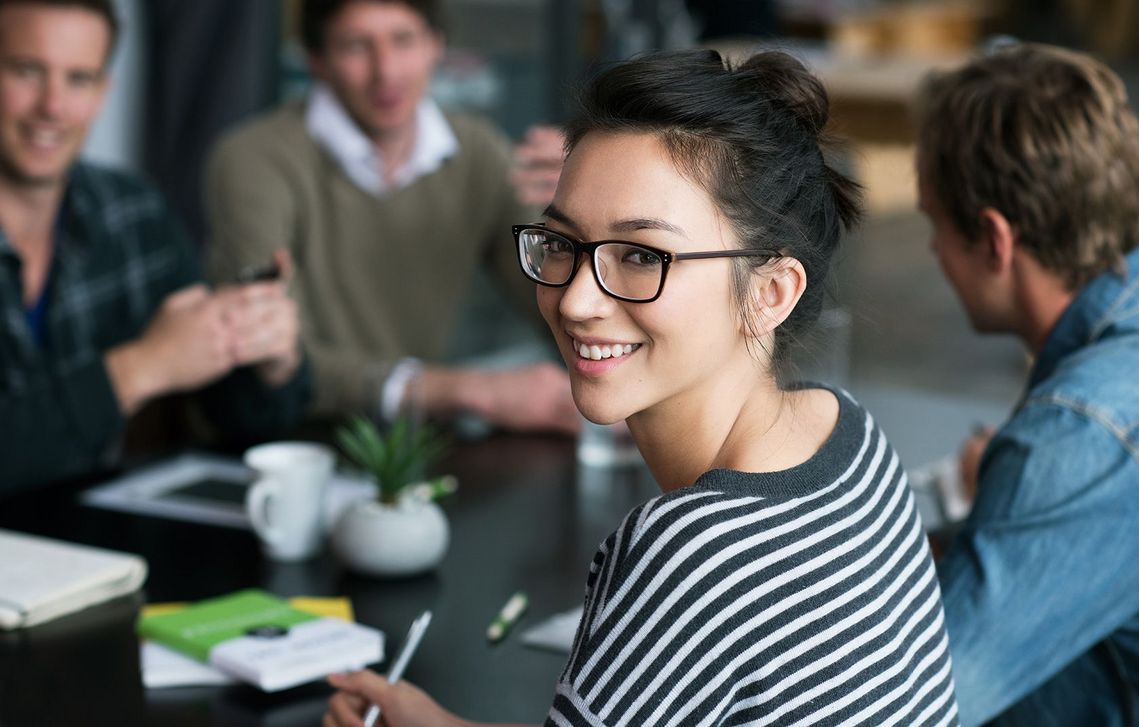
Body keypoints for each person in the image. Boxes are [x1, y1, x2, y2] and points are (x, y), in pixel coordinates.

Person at [323, 49, 960, 726]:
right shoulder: (846, 434)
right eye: (562, 243)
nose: (574, 301)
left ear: (771, 292)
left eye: (640, 256)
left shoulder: (692, 551)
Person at [205, 0, 577, 434]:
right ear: (317, 61)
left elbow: (556, 306)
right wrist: (471, 390)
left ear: (435, 45)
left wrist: (579, 216)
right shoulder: (255, 159)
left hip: (411, 446)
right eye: (356, 46)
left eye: (403, 40)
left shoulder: (478, 152)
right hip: (286, 442)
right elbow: (273, 352)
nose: (386, 72)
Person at [915, 43, 1139, 725]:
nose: (930, 252)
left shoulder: (1075, 433)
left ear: (993, 239)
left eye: (934, 225)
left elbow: (922, 702)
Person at [0, 0, 310, 494]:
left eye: (79, 79)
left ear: (103, 92)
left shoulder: (133, 212)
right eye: (26, 71)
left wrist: (266, 360)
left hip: (93, 548)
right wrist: (140, 368)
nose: (52, 107)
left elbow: (239, 423)